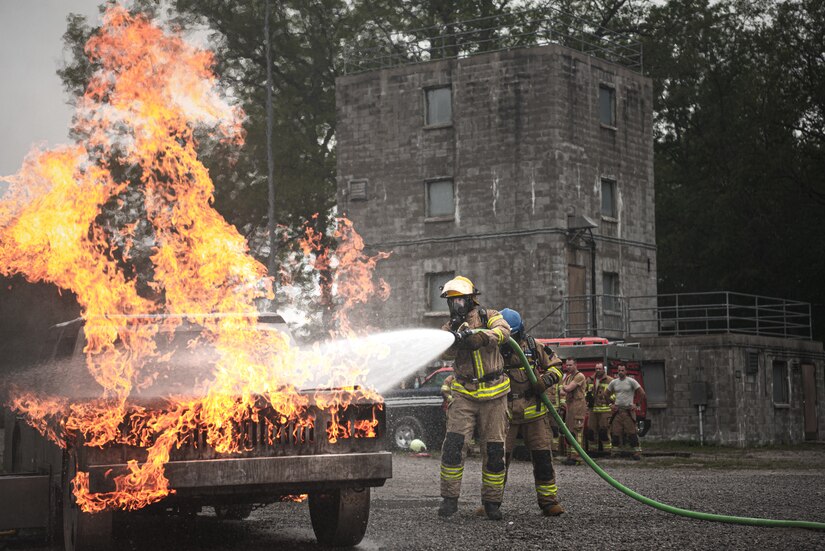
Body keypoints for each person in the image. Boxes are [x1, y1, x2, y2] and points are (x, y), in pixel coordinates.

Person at [437, 276, 511, 520]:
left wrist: (482, 336)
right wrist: (457, 338)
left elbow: (504, 332)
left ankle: (492, 503)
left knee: (494, 449)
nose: (455, 304)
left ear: (471, 299)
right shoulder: (449, 327)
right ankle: (449, 500)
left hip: (495, 393)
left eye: (459, 299)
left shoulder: (490, 315)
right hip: (464, 393)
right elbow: (443, 350)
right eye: (451, 300)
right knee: (454, 446)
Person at [498, 308, 564, 517]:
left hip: (534, 412)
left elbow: (557, 367)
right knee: (496, 460)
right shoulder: (492, 349)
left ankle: (548, 501)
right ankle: (491, 502)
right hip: (505, 414)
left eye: (514, 335)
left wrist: (544, 381)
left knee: (543, 457)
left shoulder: (535, 347)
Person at [607, 364, 646, 460]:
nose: (620, 372)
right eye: (619, 370)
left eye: (622, 370)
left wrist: (636, 404)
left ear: (626, 371)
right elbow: (606, 394)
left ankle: (637, 452)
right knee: (615, 432)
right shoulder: (614, 382)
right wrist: (611, 404)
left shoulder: (631, 381)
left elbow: (642, 393)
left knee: (632, 432)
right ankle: (615, 452)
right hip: (618, 411)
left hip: (628, 411)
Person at [560, 358, 587, 465]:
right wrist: (564, 388)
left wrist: (564, 387)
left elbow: (567, 389)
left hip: (578, 407)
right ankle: (570, 456)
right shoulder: (569, 377)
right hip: (570, 407)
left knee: (577, 432)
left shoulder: (579, 376)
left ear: (576, 365)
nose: (568, 367)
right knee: (569, 432)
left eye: (570, 365)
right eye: (567, 365)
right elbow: (562, 391)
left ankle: (577, 457)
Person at [585, 362, 614, 454]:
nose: (598, 371)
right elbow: (583, 392)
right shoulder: (589, 380)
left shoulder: (610, 380)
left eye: (599, 369)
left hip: (605, 410)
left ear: (603, 369)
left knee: (604, 431)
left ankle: (607, 451)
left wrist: (609, 401)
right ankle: (593, 450)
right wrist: (587, 398)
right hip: (593, 410)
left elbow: (615, 395)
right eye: (596, 369)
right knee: (591, 432)